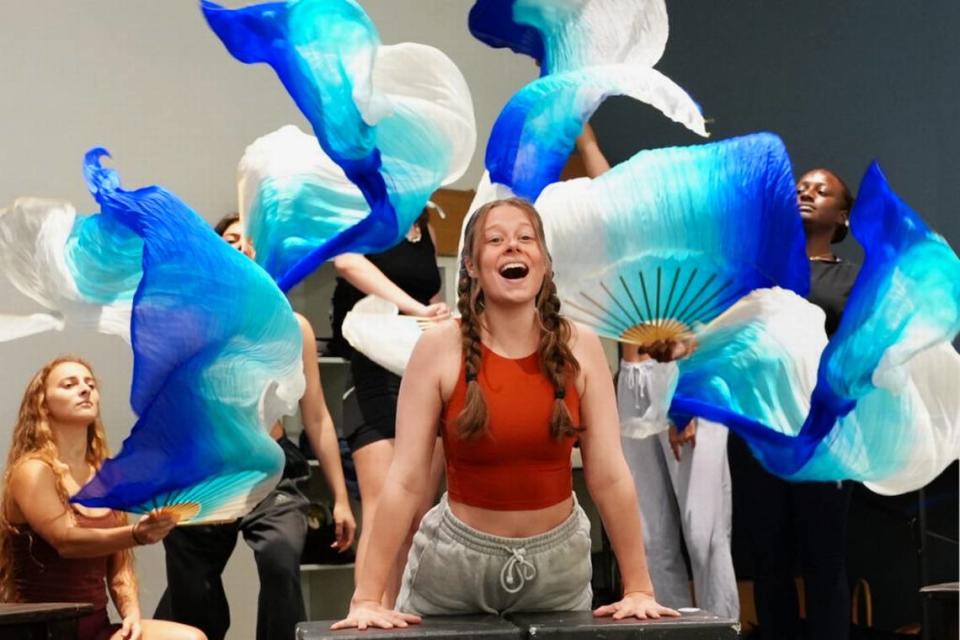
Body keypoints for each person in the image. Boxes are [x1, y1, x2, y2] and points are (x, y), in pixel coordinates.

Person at [333, 197, 680, 629]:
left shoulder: (582, 346)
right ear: (473, 266)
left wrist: (639, 588)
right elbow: (404, 480)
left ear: (545, 263)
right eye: (495, 240)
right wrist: (367, 597)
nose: (512, 247)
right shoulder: (440, 347)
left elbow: (610, 474)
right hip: (455, 564)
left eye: (525, 238)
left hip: (558, 564)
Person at [155, 213, 357, 640]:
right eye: (231, 239)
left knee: (280, 557)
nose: (242, 246)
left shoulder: (293, 328)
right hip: (208, 469)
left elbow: (317, 416)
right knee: (192, 587)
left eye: (251, 242)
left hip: (273, 469)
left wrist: (340, 496)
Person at [575, 122, 740, 619]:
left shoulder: (702, 248)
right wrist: (580, 123)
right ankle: (670, 627)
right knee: (648, 530)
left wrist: (686, 399)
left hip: (689, 380)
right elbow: (597, 166)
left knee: (703, 530)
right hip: (631, 384)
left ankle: (719, 626)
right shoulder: (628, 243)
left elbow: (720, 326)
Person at [729, 167, 859, 639]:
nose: (807, 193)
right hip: (759, 431)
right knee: (769, 558)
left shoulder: (851, 280)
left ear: (841, 217)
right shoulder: (758, 270)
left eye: (821, 191)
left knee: (824, 559)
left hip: (821, 434)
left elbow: (863, 352)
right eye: (801, 188)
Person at [0, 356, 205, 640]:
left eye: (90, 384)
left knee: (190, 638)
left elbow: (119, 567)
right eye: (69, 385)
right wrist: (136, 534)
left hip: (95, 627)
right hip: (44, 631)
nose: (85, 390)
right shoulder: (33, 470)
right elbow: (66, 541)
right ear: (43, 403)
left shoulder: (106, 475)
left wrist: (131, 614)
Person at [330, 208, 448, 606]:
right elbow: (346, 261)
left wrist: (438, 314)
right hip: (375, 372)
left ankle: (400, 616)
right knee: (383, 510)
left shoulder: (426, 225)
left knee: (416, 514)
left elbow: (430, 296)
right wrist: (413, 308)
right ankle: (367, 614)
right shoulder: (368, 212)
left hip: (423, 370)